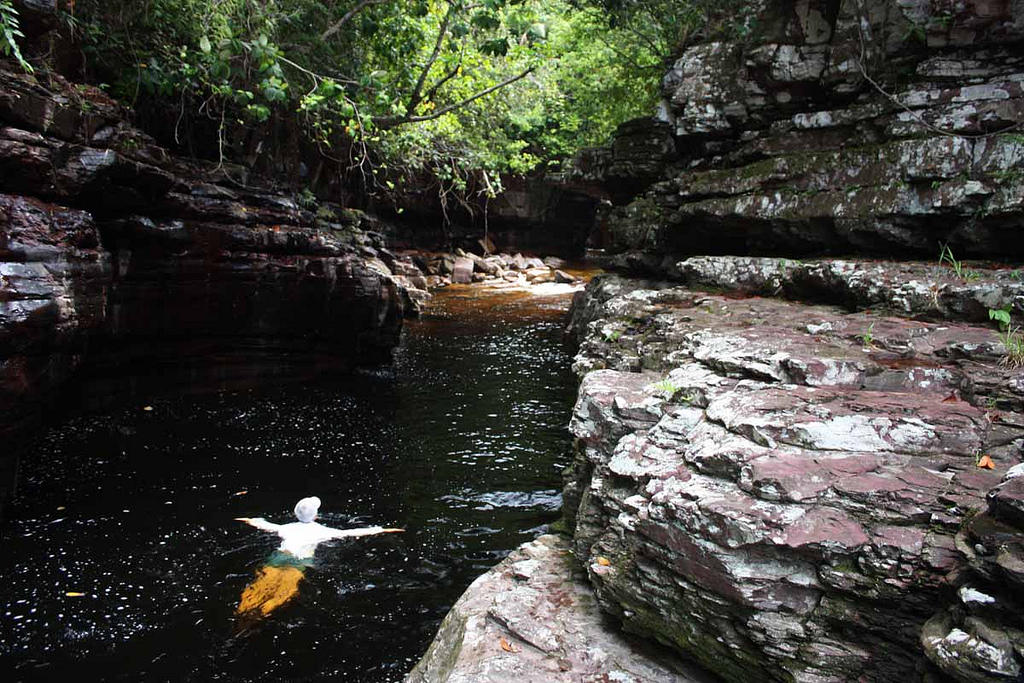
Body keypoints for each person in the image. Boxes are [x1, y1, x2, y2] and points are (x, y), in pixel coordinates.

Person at [234, 496, 402, 617]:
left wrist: (247, 519)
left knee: (259, 585)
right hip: (299, 562)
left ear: (295, 513)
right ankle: (260, 615)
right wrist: (382, 530)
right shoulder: (323, 531)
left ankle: (241, 611)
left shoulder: (285, 528)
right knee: (285, 592)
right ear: (316, 516)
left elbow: (263, 525)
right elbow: (353, 532)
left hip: (279, 557)